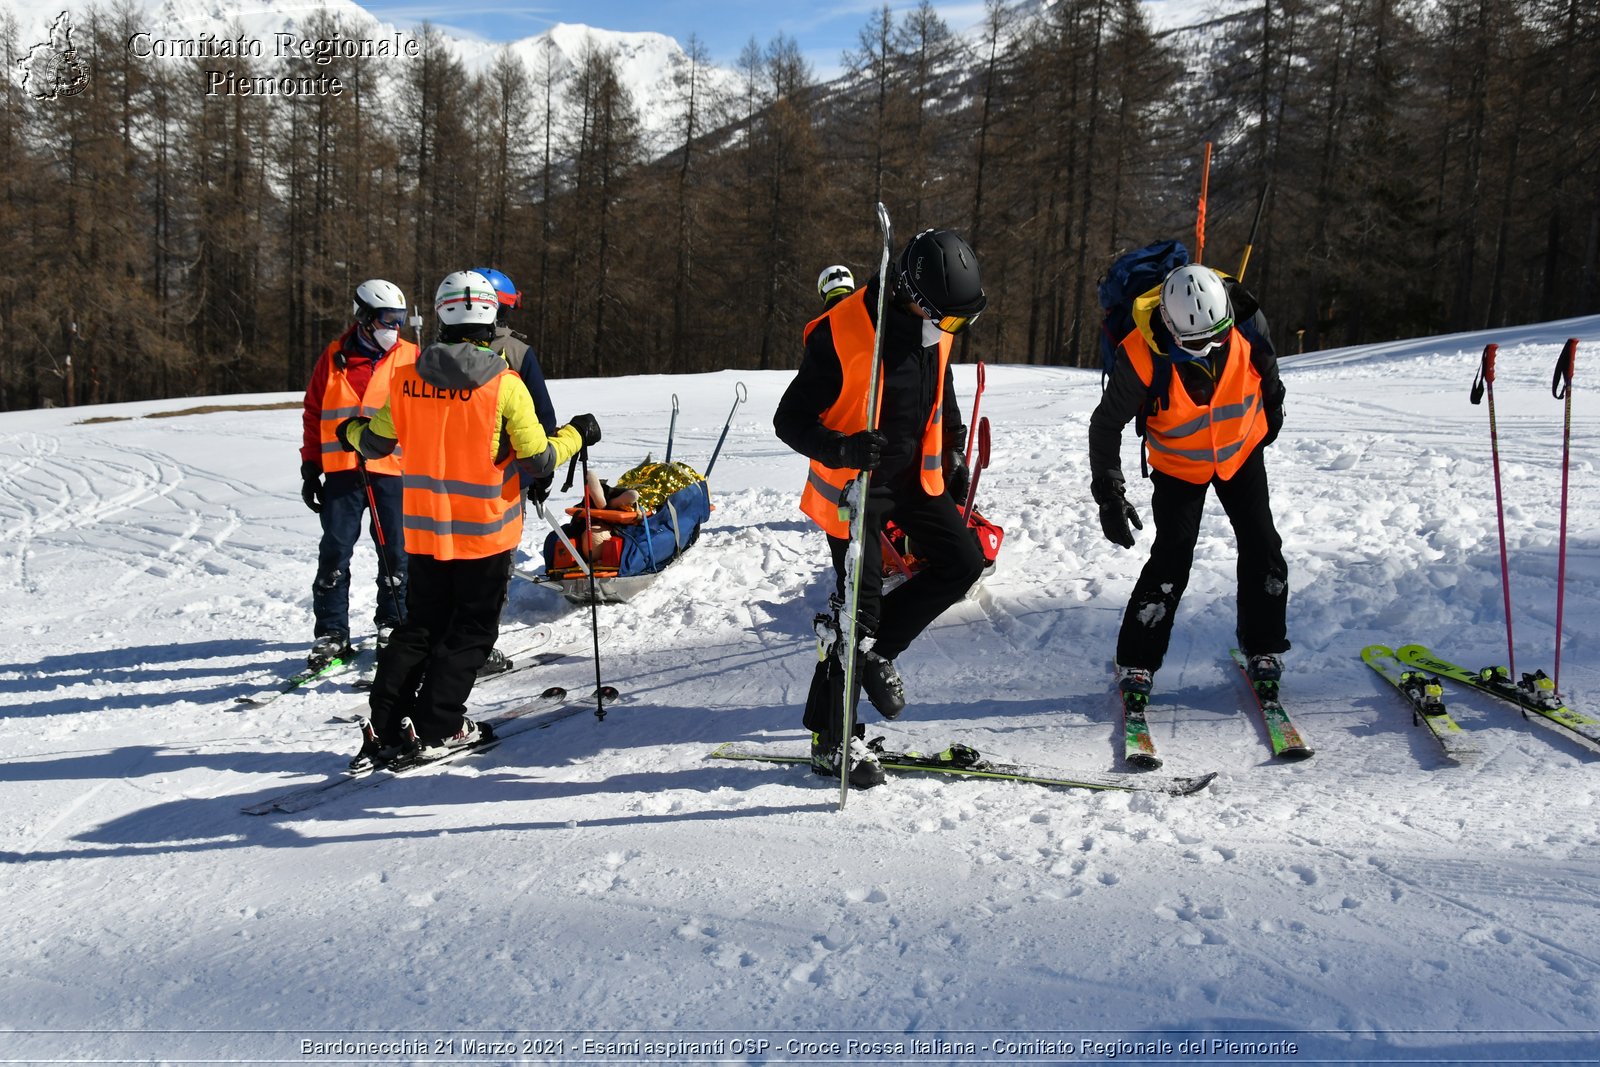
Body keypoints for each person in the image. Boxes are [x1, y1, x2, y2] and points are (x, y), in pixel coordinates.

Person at [337, 270, 600, 767]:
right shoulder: (504, 384)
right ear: (491, 317)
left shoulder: (406, 378)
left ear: (440, 315)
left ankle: (386, 725)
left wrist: (351, 430)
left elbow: (374, 443)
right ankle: (439, 725)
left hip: (424, 532)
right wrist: (577, 435)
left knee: (420, 626)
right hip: (484, 531)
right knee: (471, 630)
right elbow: (538, 459)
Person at [775, 228, 988, 788]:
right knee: (857, 614)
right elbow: (789, 420)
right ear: (911, 293)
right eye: (946, 317)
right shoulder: (842, 331)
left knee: (962, 565)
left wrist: (954, 447)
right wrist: (840, 447)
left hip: (917, 477)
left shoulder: (933, 325)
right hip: (856, 490)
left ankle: (871, 656)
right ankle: (830, 740)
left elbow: (943, 389)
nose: (949, 330)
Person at [1088, 261, 1288, 701]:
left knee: (1263, 545)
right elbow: (1105, 425)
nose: (1211, 346)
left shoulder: (1248, 321)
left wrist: (1272, 414)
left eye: (1218, 334)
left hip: (1240, 452)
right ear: (1172, 329)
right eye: (1197, 341)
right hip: (1178, 464)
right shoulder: (1140, 354)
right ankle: (1137, 661)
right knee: (1172, 559)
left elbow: (1268, 370)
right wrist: (1109, 492)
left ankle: (1265, 648)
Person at [298, 279, 415, 667]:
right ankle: (332, 633)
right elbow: (315, 413)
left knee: (396, 551)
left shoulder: (412, 357)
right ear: (364, 318)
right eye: (386, 320)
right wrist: (311, 465)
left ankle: (393, 625)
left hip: (393, 471)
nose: (393, 329)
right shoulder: (332, 358)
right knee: (335, 551)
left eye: (398, 320)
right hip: (342, 473)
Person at [471, 266, 560, 677]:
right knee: (494, 562)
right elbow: (542, 420)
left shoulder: (432, 357)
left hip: (440, 480)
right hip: (503, 482)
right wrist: (542, 473)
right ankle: (480, 644)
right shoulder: (518, 354)